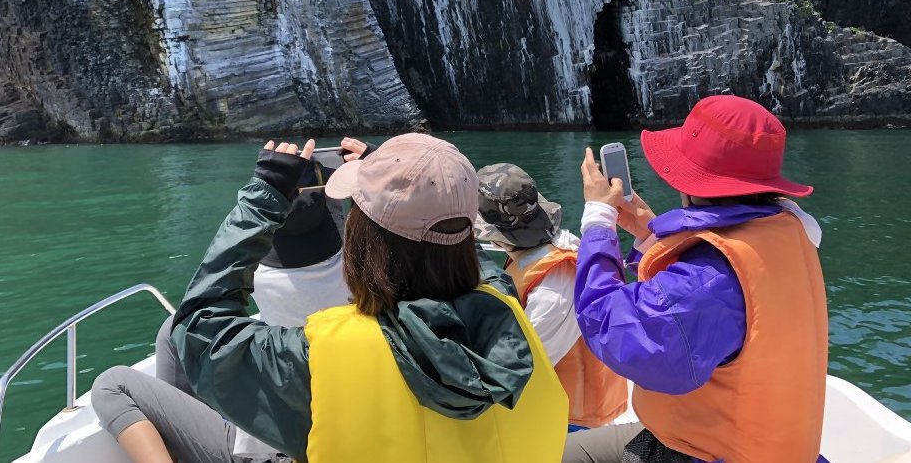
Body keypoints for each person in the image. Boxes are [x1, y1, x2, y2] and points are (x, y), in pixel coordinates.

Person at [136, 133, 568, 463]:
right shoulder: (505, 303)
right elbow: (471, 259)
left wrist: (262, 200)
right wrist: (411, 182)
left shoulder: (321, 355)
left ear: (364, 241)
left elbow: (196, 329)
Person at [566, 95, 829, 463]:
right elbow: (695, 304)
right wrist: (648, 235)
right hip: (751, 444)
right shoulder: (784, 233)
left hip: (701, 454)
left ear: (691, 181)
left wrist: (597, 221)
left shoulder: (710, 279)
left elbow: (613, 328)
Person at [93, 156, 353, 463]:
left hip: (276, 449)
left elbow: (205, 303)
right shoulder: (360, 281)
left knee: (112, 384)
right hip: (336, 420)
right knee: (170, 333)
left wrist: (264, 197)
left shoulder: (264, 278)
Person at [475, 163, 627, 431]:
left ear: (497, 238)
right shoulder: (542, 255)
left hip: (567, 420)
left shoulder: (553, 284)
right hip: (561, 409)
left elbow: (523, 365)